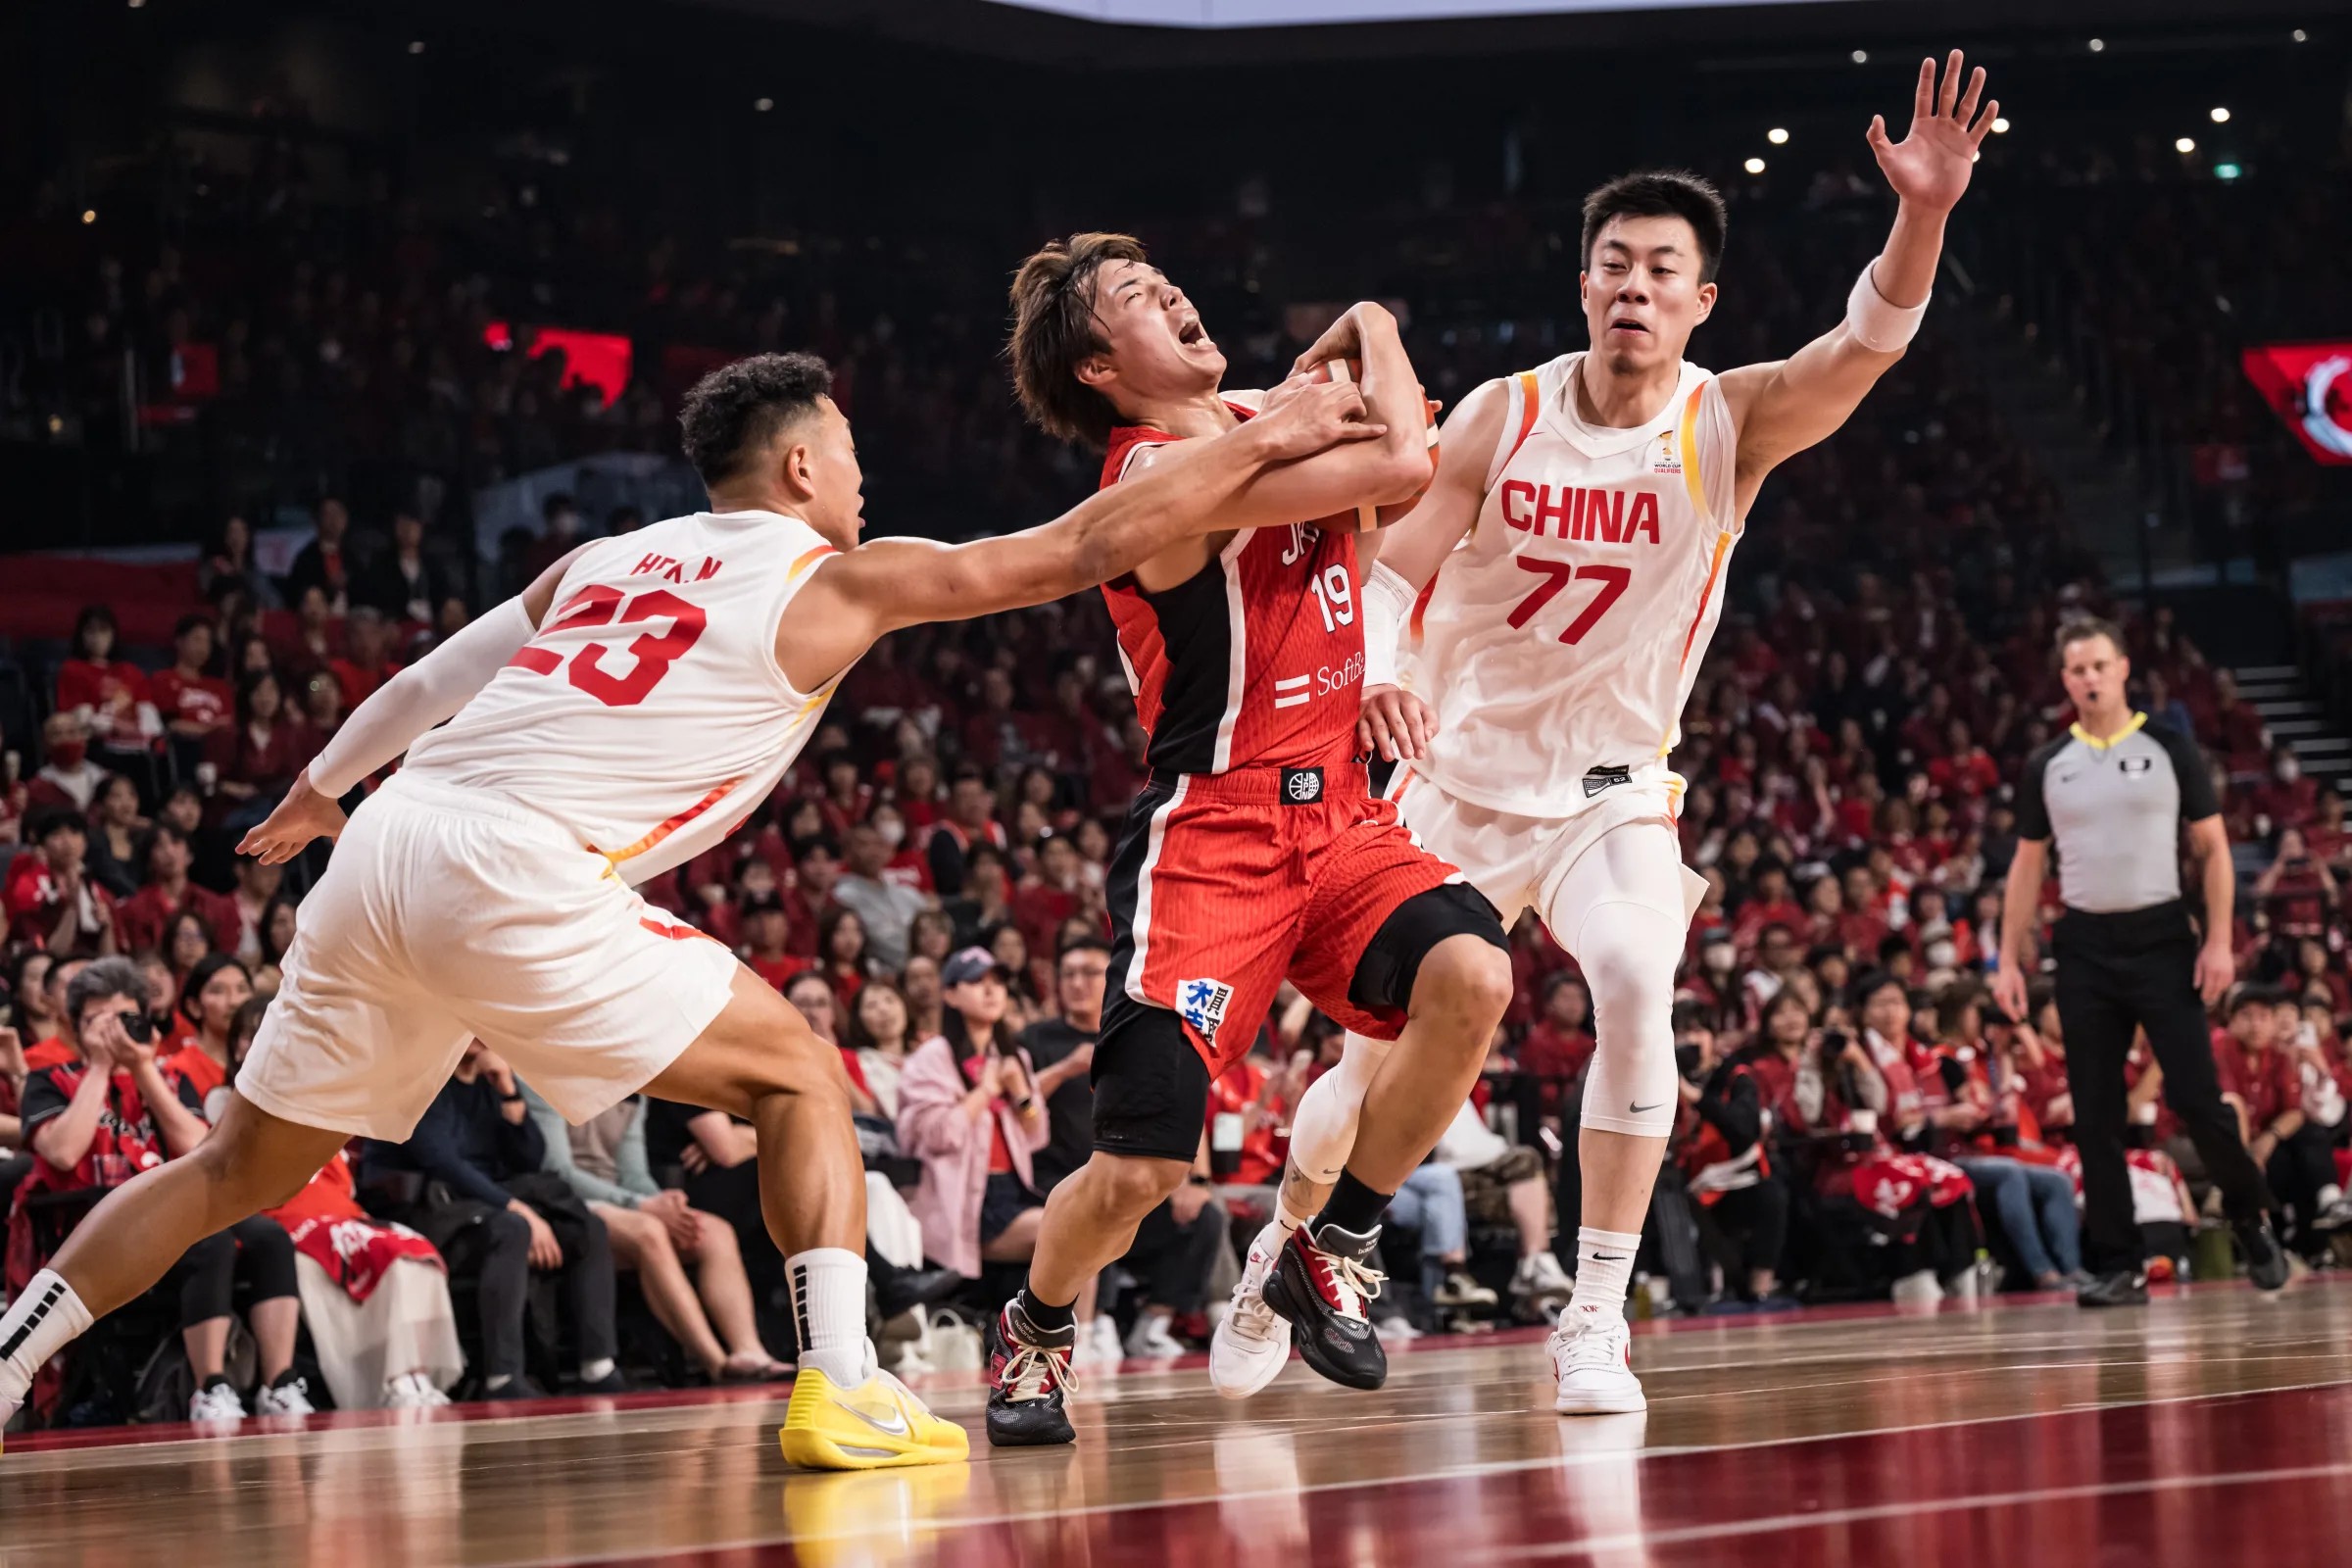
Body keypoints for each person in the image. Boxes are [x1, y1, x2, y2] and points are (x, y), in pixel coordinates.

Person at [0, 349, 1375, 1466]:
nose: (860, 471)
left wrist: (316, 787)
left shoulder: (600, 561)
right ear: (797, 467)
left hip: (385, 843)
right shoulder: (833, 576)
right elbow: (1079, 547)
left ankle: (14, 1352)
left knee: (231, 1168)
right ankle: (841, 1385)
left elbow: (431, 682)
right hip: (517, 863)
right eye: (845, 450)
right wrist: (1267, 436)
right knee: (799, 1079)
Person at [1237, 55, 2002, 1416]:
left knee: (1642, 977)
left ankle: (1595, 1315)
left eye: (1662, 269)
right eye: (1613, 265)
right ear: (1582, 286)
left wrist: (1924, 215)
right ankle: (1280, 1254)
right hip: (1452, 787)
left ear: (1700, 302)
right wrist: (1381, 672)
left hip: (1610, 794)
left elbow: (1864, 344)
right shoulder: (1503, 413)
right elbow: (1398, 568)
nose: (1634, 287)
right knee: (1360, 1084)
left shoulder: (1732, 419)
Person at [998, 239, 1514, 1448]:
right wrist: (1369, 315)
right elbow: (1401, 453)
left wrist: (1374, 665)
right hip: (1214, 833)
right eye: (1134, 298)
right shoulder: (1161, 468)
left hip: (1340, 811)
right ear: (1097, 368)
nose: (1170, 294)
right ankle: (1035, 1330)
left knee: (1474, 972)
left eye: (1162, 278)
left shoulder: (1253, 416)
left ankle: (1334, 1244)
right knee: (1139, 1173)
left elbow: (1371, 528)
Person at [1993, 617, 2289, 1306]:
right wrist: (2009, 959)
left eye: (2099, 665)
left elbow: (2215, 850)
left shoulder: (2169, 746)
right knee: (2095, 1113)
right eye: (2076, 670)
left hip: (2162, 938)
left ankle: (2249, 1214)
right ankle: (2120, 1262)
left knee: (2194, 1098)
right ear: (2065, 680)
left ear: (2123, 668)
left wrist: (2219, 940)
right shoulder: (2047, 764)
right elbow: (2028, 866)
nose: (2089, 679)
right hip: (2085, 944)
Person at [5, 959, 308, 1425]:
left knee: (268, 1237)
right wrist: (101, 1067)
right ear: (73, 1025)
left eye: (126, 1019)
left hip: (171, 1221)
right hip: (87, 1235)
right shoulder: (51, 1080)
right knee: (211, 1242)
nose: (115, 1032)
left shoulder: (166, 1077)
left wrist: (143, 1067)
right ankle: (212, 1386)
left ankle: (279, 1383)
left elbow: (202, 1150)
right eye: (98, 1022)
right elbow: (64, 1152)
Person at [225, 1000, 463, 1410]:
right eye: (253, 1034)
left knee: (413, 1250)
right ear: (239, 1048)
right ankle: (391, 1380)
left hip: (340, 1217)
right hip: (287, 1221)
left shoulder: (322, 1103)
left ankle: (412, 1374)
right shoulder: (231, 1105)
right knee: (387, 1250)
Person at [362, 1043, 622, 1399]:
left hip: (482, 1206)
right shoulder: (419, 1083)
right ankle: (502, 1375)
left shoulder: (488, 1085)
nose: (478, 1034)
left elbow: (530, 1159)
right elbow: (444, 1164)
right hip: (425, 1209)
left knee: (587, 1225)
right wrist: (517, 1208)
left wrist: (508, 1089)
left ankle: (597, 1364)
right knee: (512, 1228)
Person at [524, 1086, 792, 1384]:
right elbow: (559, 1171)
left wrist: (666, 1206)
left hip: (623, 1200)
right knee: (649, 1232)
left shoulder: (629, 1089)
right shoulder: (542, 1082)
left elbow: (633, 1172)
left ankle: (749, 1351)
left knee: (713, 1231)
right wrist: (644, 1206)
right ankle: (716, 1364)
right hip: (566, 1203)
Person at [897, 949, 1051, 1278]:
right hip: (965, 1197)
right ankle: (1084, 1328)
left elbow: (1037, 1135)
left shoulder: (1014, 1056)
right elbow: (937, 1136)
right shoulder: (931, 1058)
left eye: (997, 982)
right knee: (1069, 1232)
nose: (991, 990)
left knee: (1093, 1228)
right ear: (950, 995)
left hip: (1014, 1187)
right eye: (977, 981)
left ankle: (1086, 1328)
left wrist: (1021, 1093)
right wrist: (986, 1090)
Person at [163, 954, 254, 1122]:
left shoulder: (265, 1063)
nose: (234, 1002)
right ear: (194, 1007)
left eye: (242, 989)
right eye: (218, 991)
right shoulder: (179, 1070)